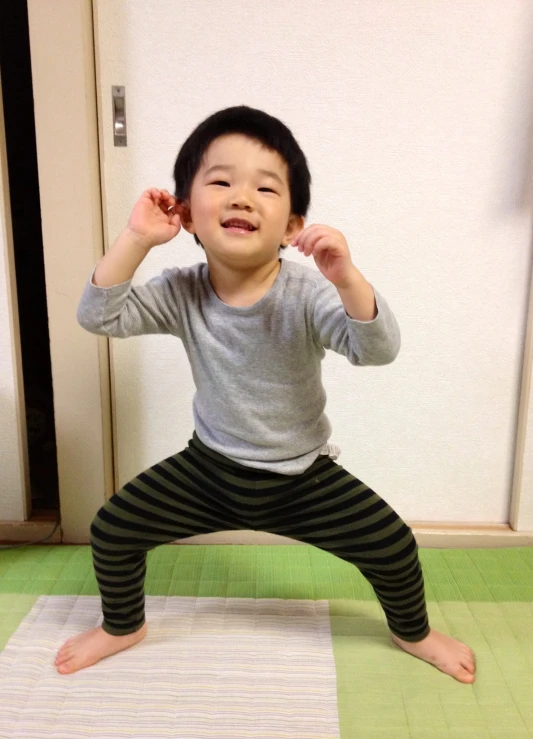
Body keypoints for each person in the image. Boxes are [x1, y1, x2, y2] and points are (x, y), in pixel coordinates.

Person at [55, 106, 476, 683]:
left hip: (302, 476)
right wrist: (136, 239)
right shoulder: (182, 291)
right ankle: (123, 625)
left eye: (265, 188)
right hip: (208, 469)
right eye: (221, 181)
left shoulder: (307, 293)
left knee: (394, 546)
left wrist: (348, 277)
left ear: (292, 225)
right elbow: (99, 316)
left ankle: (415, 632)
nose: (241, 197)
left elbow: (376, 350)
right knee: (112, 531)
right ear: (186, 212)